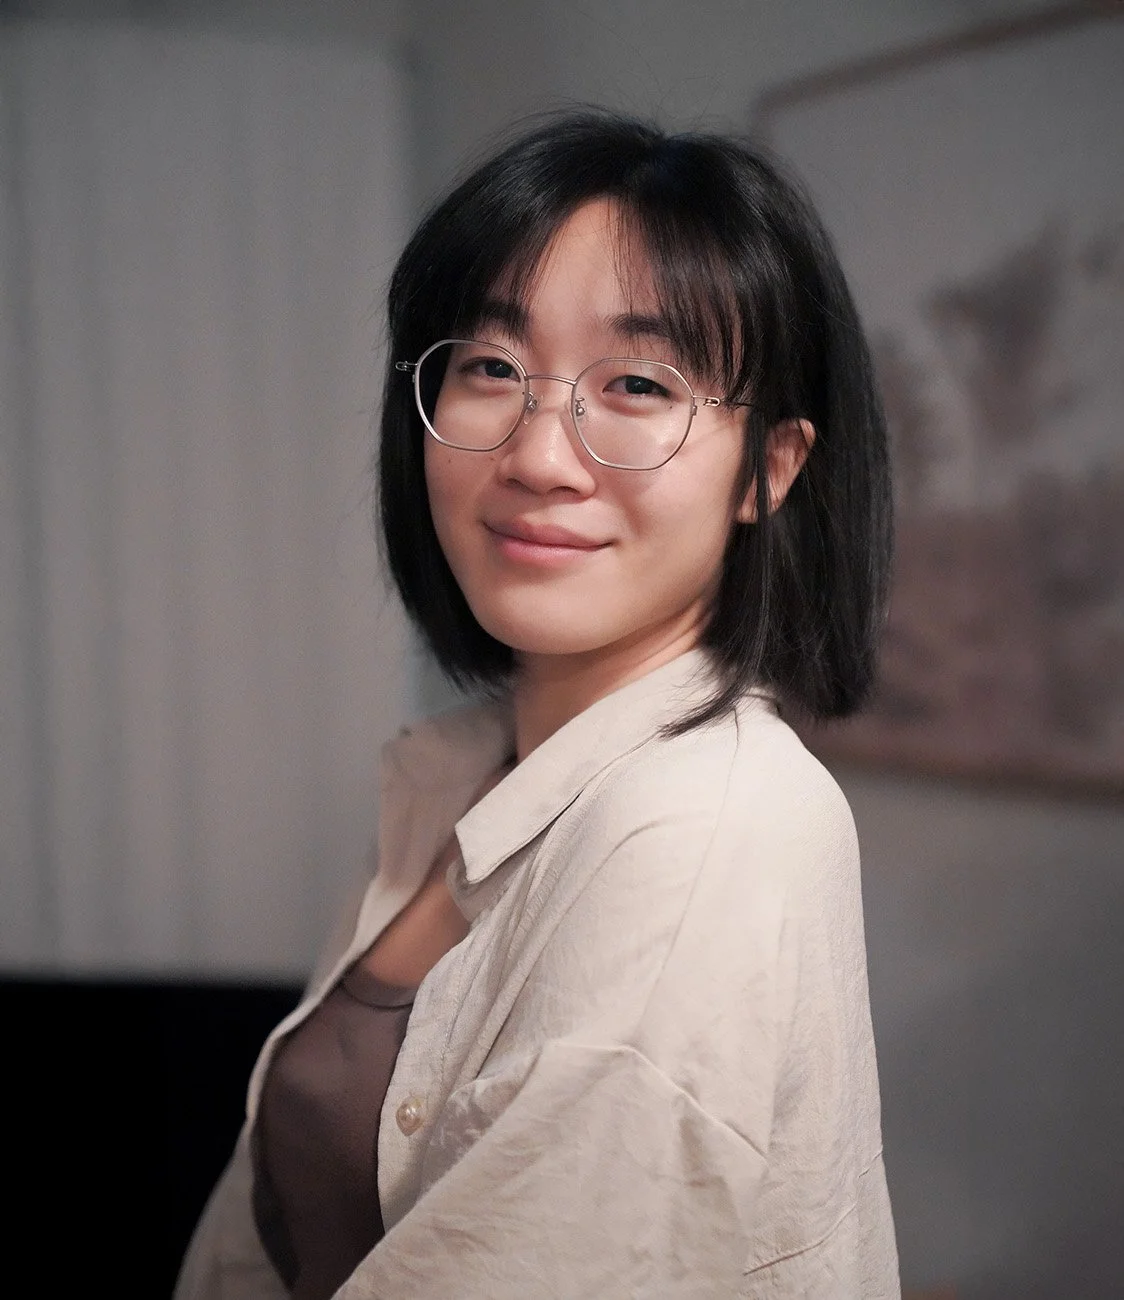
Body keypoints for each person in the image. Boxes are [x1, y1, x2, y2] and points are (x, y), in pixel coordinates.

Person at [175, 108, 899, 1298]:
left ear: (767, 470)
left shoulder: (702, 831)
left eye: (635, 383)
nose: (539, 455)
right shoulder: (461, 776)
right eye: (492, 368)